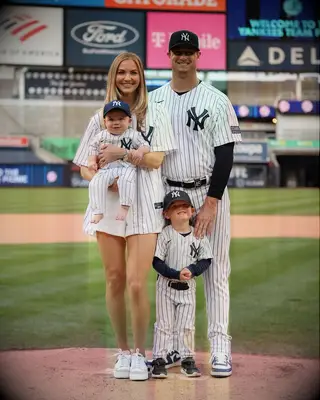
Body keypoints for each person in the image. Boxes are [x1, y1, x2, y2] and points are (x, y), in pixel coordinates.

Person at [73, 52, 176, 381]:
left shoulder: (155, 113)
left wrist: (124, 155)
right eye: (122, 72)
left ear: (141, 76)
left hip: (145, 203)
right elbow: (86, 167)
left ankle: (139, 354)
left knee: (135, 282)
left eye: (133, 72)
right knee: (114, 278)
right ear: (113, 76)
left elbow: (157, 160)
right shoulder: (99, 118)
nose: (128, 78)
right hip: (109, 206)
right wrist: (104, 180)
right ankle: (122, 351)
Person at [149, 30, 242, 377]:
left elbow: (226, 154)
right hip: (168, 196)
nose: (183, 56)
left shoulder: (217, 100)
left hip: (206, 194)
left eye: (189, 51)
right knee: (168, 276)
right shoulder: (156, 100)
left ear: (198, 55)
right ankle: (171, 349)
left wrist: (213, 201)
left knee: (216, 272)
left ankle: (220, 348)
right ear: (169, 55)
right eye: (178, 51)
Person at [151, 190, 212, 379]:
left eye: (184, 206)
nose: (181, 209)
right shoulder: (165, 234)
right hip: (165, 287)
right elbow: (157, 262)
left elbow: (206, 260)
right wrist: (176, 273)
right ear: (166, 214)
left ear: (192, 210)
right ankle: (159, 360)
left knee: (187, 326)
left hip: (188, 289)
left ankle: (187, 360)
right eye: (175, 207)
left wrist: (193, 270)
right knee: (164, 325)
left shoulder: (198, 235)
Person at [87, 100, 150, 222]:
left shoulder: (133, 134)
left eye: (121, 119)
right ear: (105, 122)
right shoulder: (101, 135)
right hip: (106, 168)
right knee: (95, 182)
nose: (116, 123)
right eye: (111, 119)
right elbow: (92, 148)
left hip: (126, 167)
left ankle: (125, 206)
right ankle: (98, 211)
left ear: (129, 121)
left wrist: (140, 151)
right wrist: (91, 162)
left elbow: (146, 145)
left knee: (126, 180)